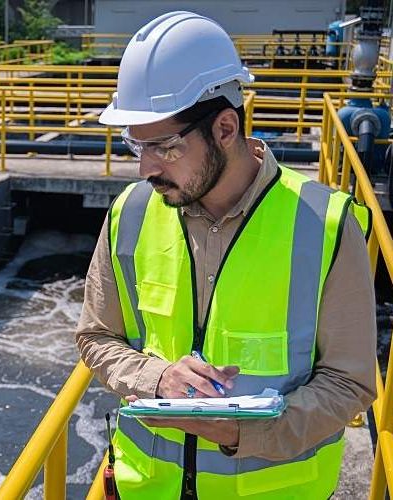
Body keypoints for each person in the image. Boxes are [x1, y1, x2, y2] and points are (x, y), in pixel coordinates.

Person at [76, 11, 377, 500]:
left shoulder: (324, 225)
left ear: (224, 127)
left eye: (165, 147)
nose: (145, 167)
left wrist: (244, 434)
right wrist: (157, 377)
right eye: (136, 144)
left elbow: (349, 383)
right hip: (146, 490)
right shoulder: (129, 214)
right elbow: (97, 336)